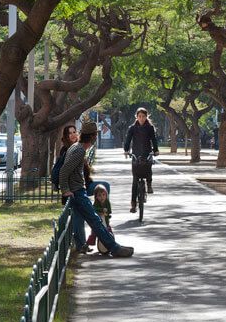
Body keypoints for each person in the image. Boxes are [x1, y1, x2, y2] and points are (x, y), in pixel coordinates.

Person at [59, 122, 133, 257]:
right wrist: (65, 190)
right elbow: (64, 171)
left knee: (88, 220)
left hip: (77, 190)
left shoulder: (78, 148)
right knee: (95, 220)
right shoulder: (79, 150)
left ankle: (92, 245)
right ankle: (114, 248)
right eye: (95, 136)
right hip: (77, 192)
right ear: (92, 137)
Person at [124, 107, 159, 213]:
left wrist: (156, 150)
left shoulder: (150, 128)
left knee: (148, 170)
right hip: (136, 155)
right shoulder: (132, 128)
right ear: (137, 117)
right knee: (135, 181)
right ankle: (133, 204)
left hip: (147, 153)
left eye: (143, 116)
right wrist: (126, 150)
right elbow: (128, 140)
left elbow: (153, 139)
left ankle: (149, 184)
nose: (142, 118)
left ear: (146, 117)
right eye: (139, 116)